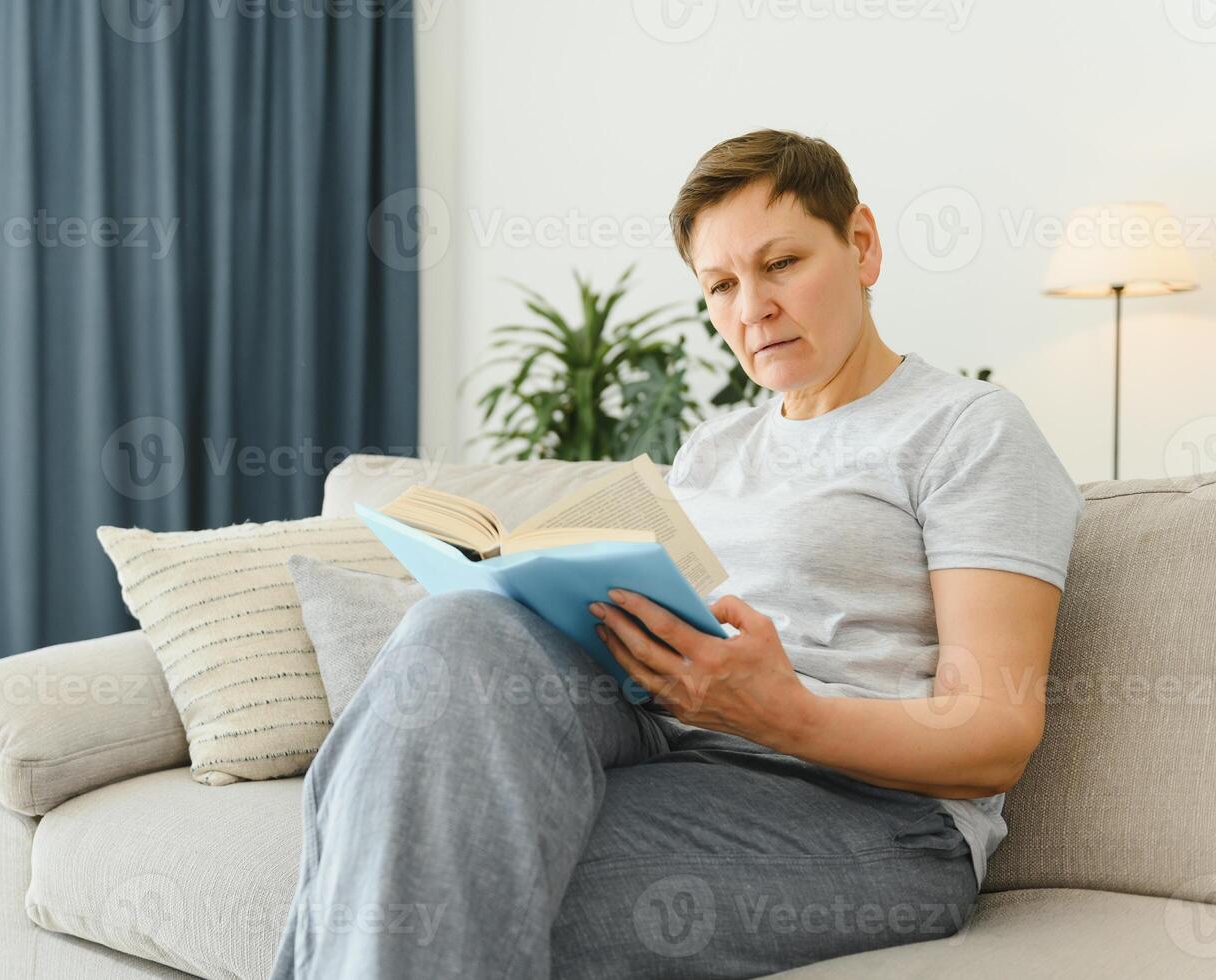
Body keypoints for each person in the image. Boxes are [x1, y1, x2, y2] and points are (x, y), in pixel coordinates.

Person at [270, 129, 1085, 978]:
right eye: (721, 285)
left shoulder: (968, 430)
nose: (752, 307)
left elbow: (994, 733)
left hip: (877, 818)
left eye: (781, 265)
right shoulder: (710, 450)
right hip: (671, 755)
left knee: (410, 876)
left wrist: (782, 712)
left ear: (861, 245)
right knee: (457, 629)